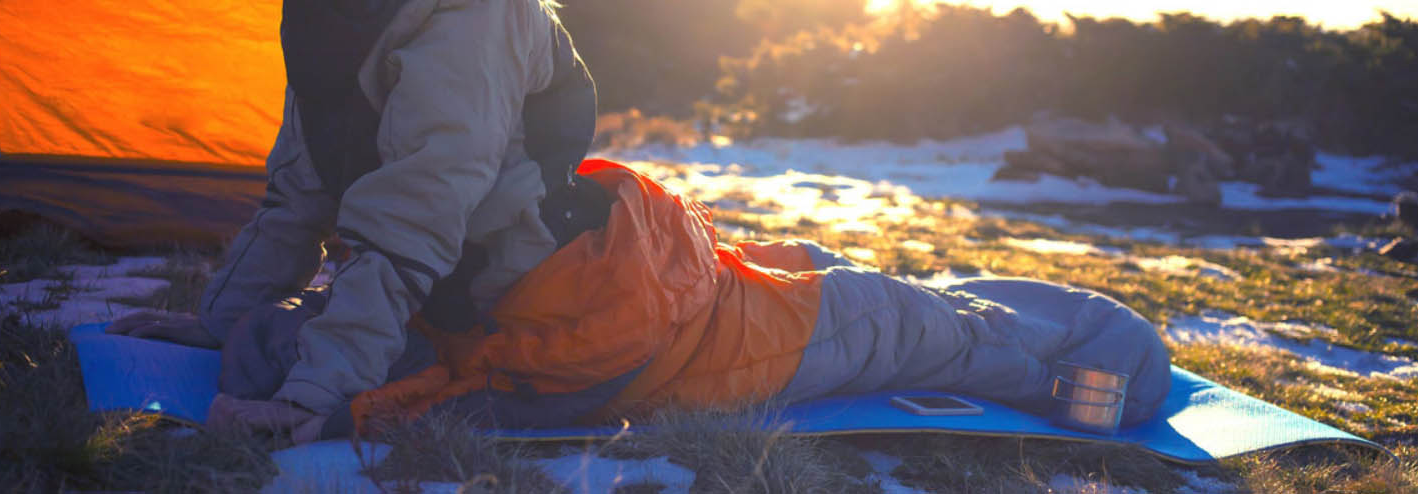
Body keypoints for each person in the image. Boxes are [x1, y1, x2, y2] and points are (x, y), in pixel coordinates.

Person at [208, 159, 1173, 441]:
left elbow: (389, 358)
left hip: (742, 293)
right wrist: (337, 411)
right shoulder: (498, 358)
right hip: (776, 333)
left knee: (882, 290)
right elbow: (417, 400)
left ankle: (1073, 355)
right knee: (939, 326)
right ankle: (1090, 374)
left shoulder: (447, 321)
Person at [109, 0, 601, 445]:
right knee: (258, 343)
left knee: (271, 359)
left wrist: (315, 393)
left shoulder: (479, 18)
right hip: (436, 275)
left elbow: (419, 213)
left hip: (523, 288)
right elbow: (298, 190)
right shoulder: (333, 17)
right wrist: (224, 319)